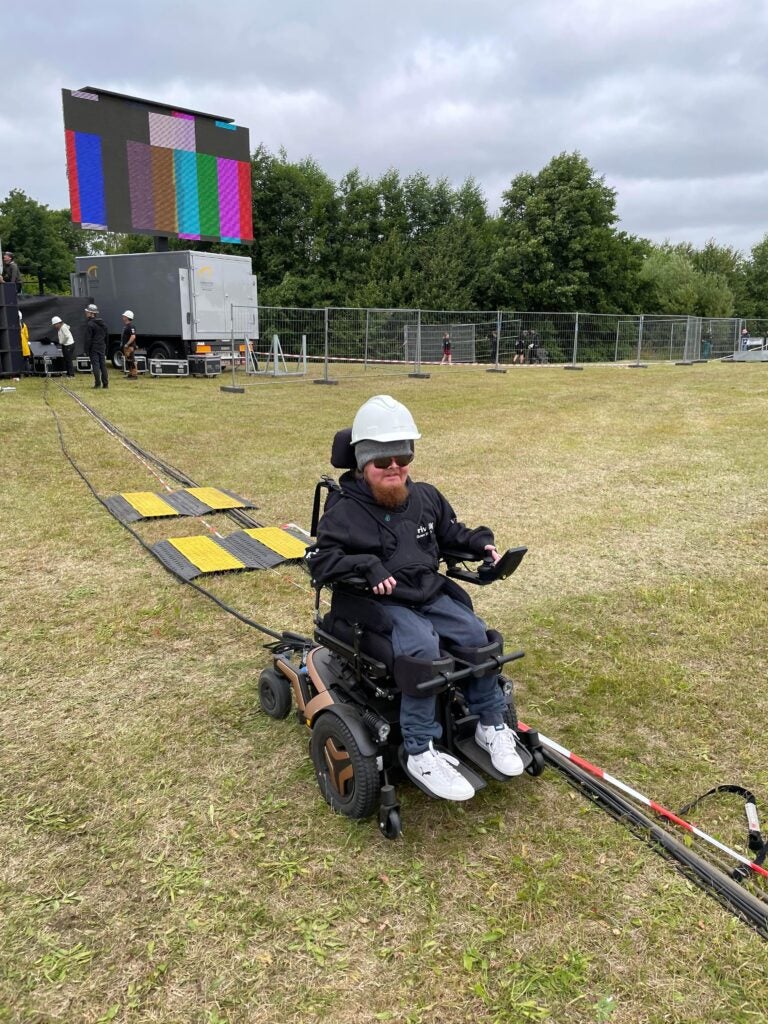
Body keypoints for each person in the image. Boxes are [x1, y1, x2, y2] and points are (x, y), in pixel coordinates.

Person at [306, 394, 524, 802]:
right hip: (375, 604)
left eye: (402, 459)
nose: (394, 469)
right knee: (421, 646)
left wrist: (483, 545)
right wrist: (366, 566)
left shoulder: (424, 497)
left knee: (476, 635)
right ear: (362, 462)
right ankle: (421, 750)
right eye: (382, 462)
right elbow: (320, 562)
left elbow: (452, 534)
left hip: (425, 591)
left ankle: (490, 724)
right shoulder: (344, 511)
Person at [84, 303, 109, 388]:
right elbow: (106, 336)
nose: (86, 313)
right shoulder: (103, 324)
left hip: (94, 347)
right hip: (102, 346)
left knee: (95, 365)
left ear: (92, 313)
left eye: (87, 312)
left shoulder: (90, 324)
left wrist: (86, 350)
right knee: (103, 365)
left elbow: (88, 339)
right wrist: (106, 347)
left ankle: (97, 384)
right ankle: (105, 384)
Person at [121, 310, 138, 379]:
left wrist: (127, 344)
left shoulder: (131, 326)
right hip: (126, 347)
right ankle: (130, 374)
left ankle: (134, 375)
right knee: (128, 360)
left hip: (129, 347)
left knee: (131, 360)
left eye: (124, 316)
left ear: (127, 317)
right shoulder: (127, 326)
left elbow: (133, 336)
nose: (123, 317)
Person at [19, 311, 31, 375]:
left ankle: (22, 373)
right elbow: (27, 336)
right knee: (26, 359)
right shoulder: (24, 324)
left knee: (21, 360)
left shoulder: (15, 325)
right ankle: (28, 373)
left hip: (20, 345)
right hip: (25, 345)